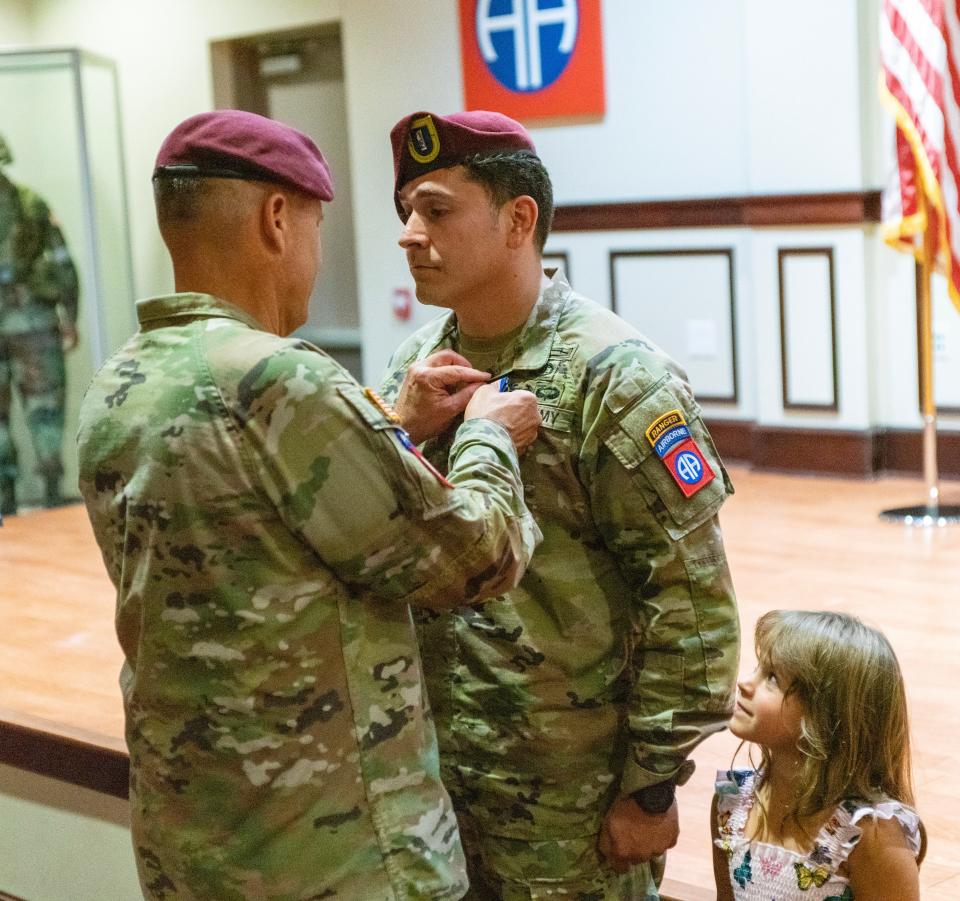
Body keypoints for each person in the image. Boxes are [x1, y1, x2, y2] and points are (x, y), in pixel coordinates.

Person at [76, 109, 544, 901]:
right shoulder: (280, 379)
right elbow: (472, 557)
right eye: (319, 226)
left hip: (194, 846)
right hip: (333, 854)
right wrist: (487, 439)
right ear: (276, 218)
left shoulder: (119, 384)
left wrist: (390, 427)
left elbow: (253, 522)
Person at [381, 110, 740, 899]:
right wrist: (397, 431)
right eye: (405, 209)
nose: (409, 233)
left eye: (436, 209)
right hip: (436, 777)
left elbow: (691, 601)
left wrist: (650, 786)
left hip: (566, 798)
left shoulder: (615, 375)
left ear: (519, 220)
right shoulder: (415, 366)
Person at [713, 610, 923, 900]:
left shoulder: (868, 835)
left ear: (824, 716)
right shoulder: (731, 804)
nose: (745, 684)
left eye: (772, 678)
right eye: (758, 668)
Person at [0, 132, 79, 515]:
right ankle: (49, 488)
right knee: (45, 406)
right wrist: (70, 314)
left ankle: (5, 496)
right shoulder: (32, 204)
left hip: (28, 319)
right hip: (31, 319)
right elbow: (62, 262)